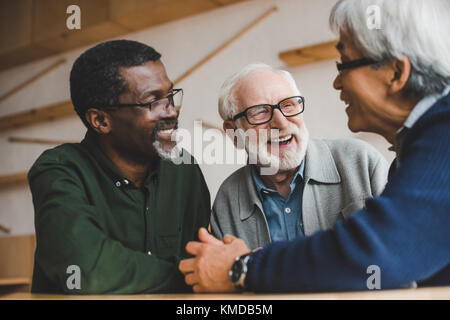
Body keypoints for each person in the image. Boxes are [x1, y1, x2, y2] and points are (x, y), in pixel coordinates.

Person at [179, 0, 450, 292]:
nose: (336, 82)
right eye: (260, 112)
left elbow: (382, 251)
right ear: (234, 134)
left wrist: (242, 268)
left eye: (344, 64)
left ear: (395, 73)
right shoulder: (420, 144)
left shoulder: (442, 133)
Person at [29, 40, 210, 294]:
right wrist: (189, 276)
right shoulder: (59, 170)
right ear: (101, 120)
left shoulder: (184, 169)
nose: (171, 111)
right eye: (152, 101)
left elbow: (201, 259)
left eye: (170, 95)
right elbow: (87, 270)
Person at [211, 63, 388, 251]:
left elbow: (404, 254)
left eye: (288, 105)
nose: (281, 122)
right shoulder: (228, 198)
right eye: (260, 112)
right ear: (233, 134)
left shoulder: (362, 162)